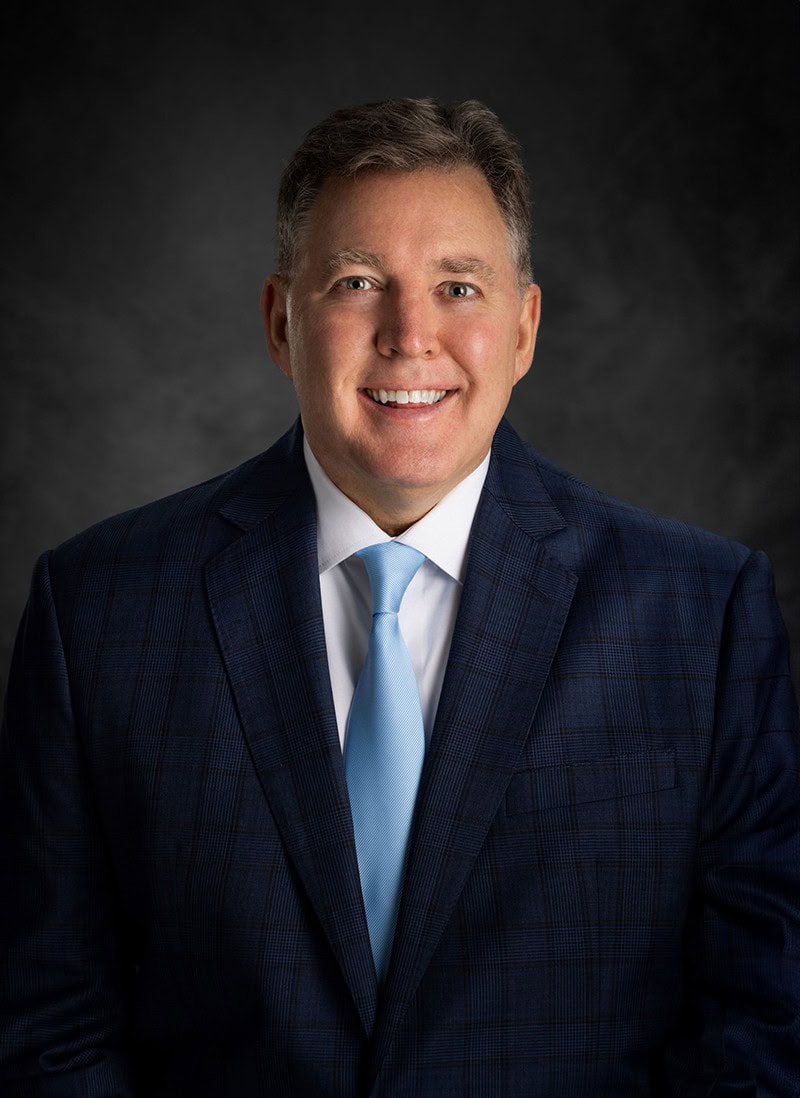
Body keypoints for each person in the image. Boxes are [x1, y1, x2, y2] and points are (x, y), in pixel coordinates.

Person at [1, 97, 798, 1097]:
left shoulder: (700, 615)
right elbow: (48, 1024)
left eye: (457, 286)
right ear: (280, 322)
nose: (408, 334)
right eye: (355, 282)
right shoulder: (99, 611)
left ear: (522, 328)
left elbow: (760, 1027)